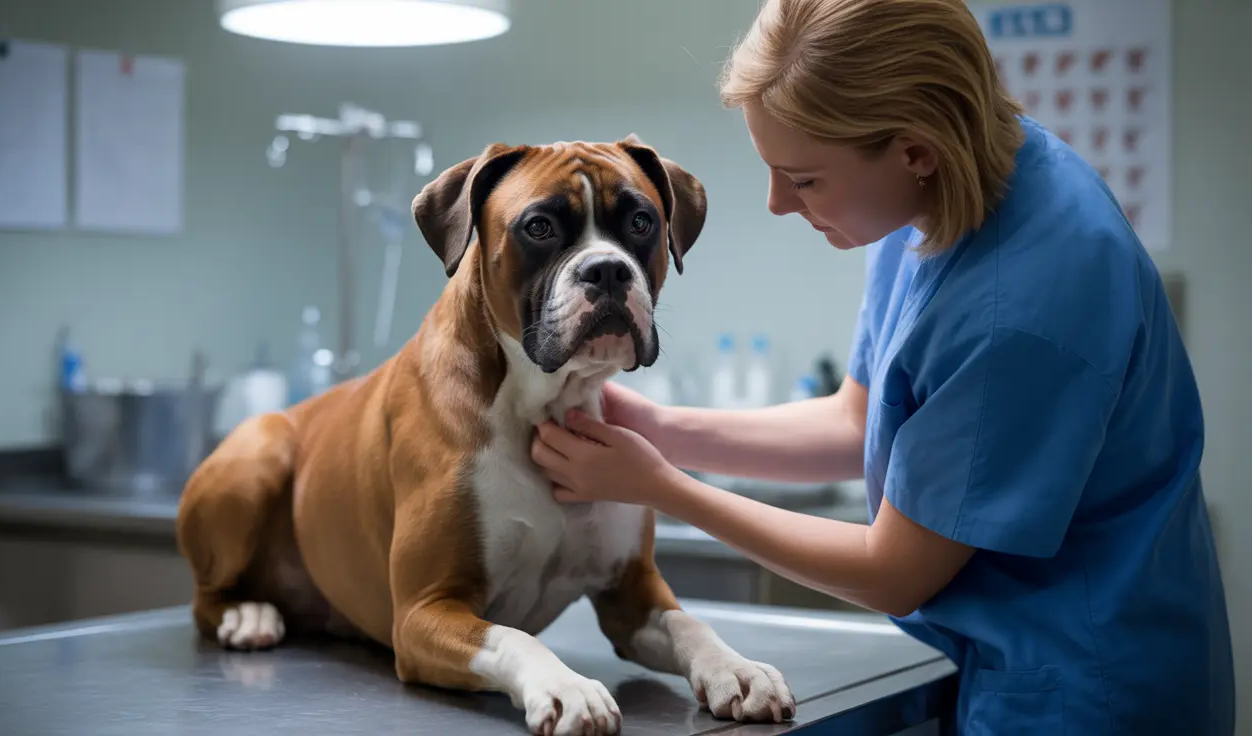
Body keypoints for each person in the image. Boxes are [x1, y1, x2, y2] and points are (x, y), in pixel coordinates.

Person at [529, 0, 1236, 733]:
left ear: (914, 151)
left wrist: (660, 487)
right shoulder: (935, 198)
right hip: (1001, 665)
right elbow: (856, 421)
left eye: (802, 180)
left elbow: (895, 572)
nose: (776, 204)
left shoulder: (1025, 301)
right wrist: (661, 428)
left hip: (1087, 692)